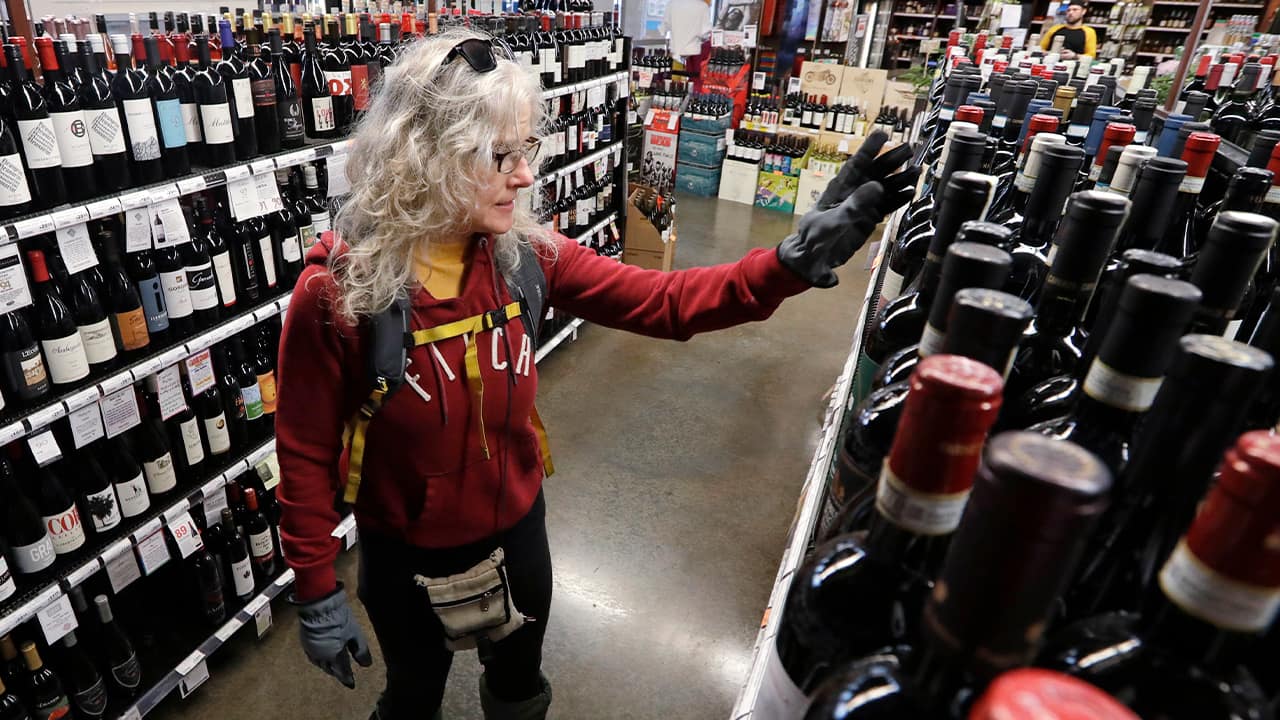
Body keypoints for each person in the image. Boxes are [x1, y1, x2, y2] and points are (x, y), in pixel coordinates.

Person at [275, 29, 917, 720]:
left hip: (516, 529)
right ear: (428, 156)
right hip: (402, 556)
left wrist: (786, 263)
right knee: (413, 694)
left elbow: (665, 302)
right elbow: (305, 451)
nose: (525, 176)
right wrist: (315, 587)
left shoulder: (524, 256)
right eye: (500, 156)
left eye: (528, 150)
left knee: (520, 688)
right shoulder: (341, 293)